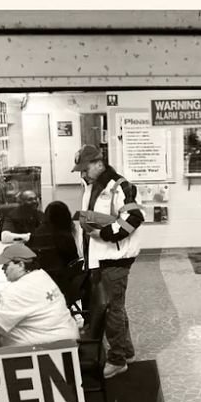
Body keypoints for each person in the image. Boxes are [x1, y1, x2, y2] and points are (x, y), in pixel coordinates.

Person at [72, 144, 143, 378]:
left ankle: (118, 359)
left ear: (99, 164)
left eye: (85, 169)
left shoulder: (119, 186)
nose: (82, 174)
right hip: (100, 258)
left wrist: (104, 234)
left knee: (113, 309)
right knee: (116, 307)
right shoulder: (92, 186)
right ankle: (127, 351)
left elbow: (134, 217)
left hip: (115, 258)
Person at [27, 200, 83, 299]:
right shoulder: (64, 236)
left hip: (38, 284)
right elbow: (73, 262)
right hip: (60, 285)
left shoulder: (36, 233)